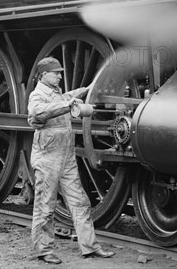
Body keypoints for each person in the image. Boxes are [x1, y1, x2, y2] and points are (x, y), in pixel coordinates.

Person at [28, 56, 114, 264]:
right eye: (55, 72)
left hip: (66, 157)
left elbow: (68, 96)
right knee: (45, 205)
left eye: (59, 72)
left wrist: (87, 89)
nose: (59, 75)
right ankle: (43, 250)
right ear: (43, 75)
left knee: (80, 201)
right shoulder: (37, 95)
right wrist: (66, 105)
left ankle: (90, 247)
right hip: (47, 158)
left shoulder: (57, 93)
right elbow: (36, 112)